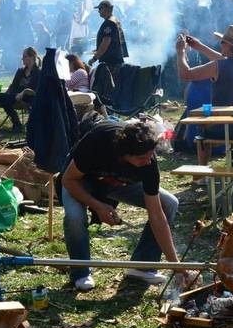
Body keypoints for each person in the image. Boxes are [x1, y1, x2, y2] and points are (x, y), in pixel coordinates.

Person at [59, 120, 184, 292]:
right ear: (125, 154)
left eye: (151, 155)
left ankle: (142, 267)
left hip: (115, 182)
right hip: (79, 180)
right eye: (142, 158)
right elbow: (68, 180)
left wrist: (176, 266)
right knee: (74, 217)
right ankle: (80, 272)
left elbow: (157, 215)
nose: (148, 162)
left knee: (169, 203)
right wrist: (98, 206)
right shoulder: (98, 142)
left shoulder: (148, 162)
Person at [175, 25, 233, 164]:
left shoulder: (218, 66)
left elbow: (185, 74)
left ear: (227, 45)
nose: (220, 45)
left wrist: (180, 52)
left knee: (202, 132)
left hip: (220, 126)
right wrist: (200, 46)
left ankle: (202, 171)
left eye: (222, 42)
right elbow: (227, 62)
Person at [0, 46, 40, 134]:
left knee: (3, 98)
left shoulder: (38, 73)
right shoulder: (20, 71)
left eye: (24, 56)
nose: (22, 59)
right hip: (14, 97)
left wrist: (23, 92)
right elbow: (13, 86)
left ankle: (17, 124)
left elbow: (36, 91)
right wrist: (8, 94)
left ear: (31, 57)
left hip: (28, 98)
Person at [88, 0, 128, 71]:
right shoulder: (114, 20)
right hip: (115, 60)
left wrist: (94, 59)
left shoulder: (109, 23)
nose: (98, 11)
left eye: (100, 8)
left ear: (107, 9)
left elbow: (106, 43)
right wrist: (97, 50)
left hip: (111, 62)